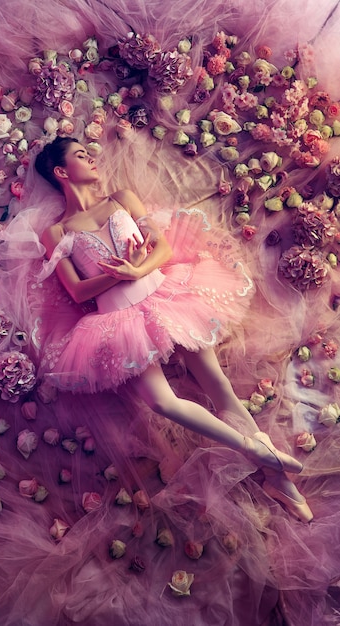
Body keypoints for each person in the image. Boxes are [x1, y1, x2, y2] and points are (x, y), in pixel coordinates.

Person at [35, 135, 313, 523]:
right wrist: (119, 277)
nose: (92, 158)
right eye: (81, 155)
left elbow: (162, 249)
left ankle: (280, 483)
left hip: (167, 295)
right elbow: (78, 290)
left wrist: (137, 270)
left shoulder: (120, 199)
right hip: (117, 322)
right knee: (161, 402)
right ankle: (258, 453)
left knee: (218, 385)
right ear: (61, 172)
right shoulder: (56, 233)